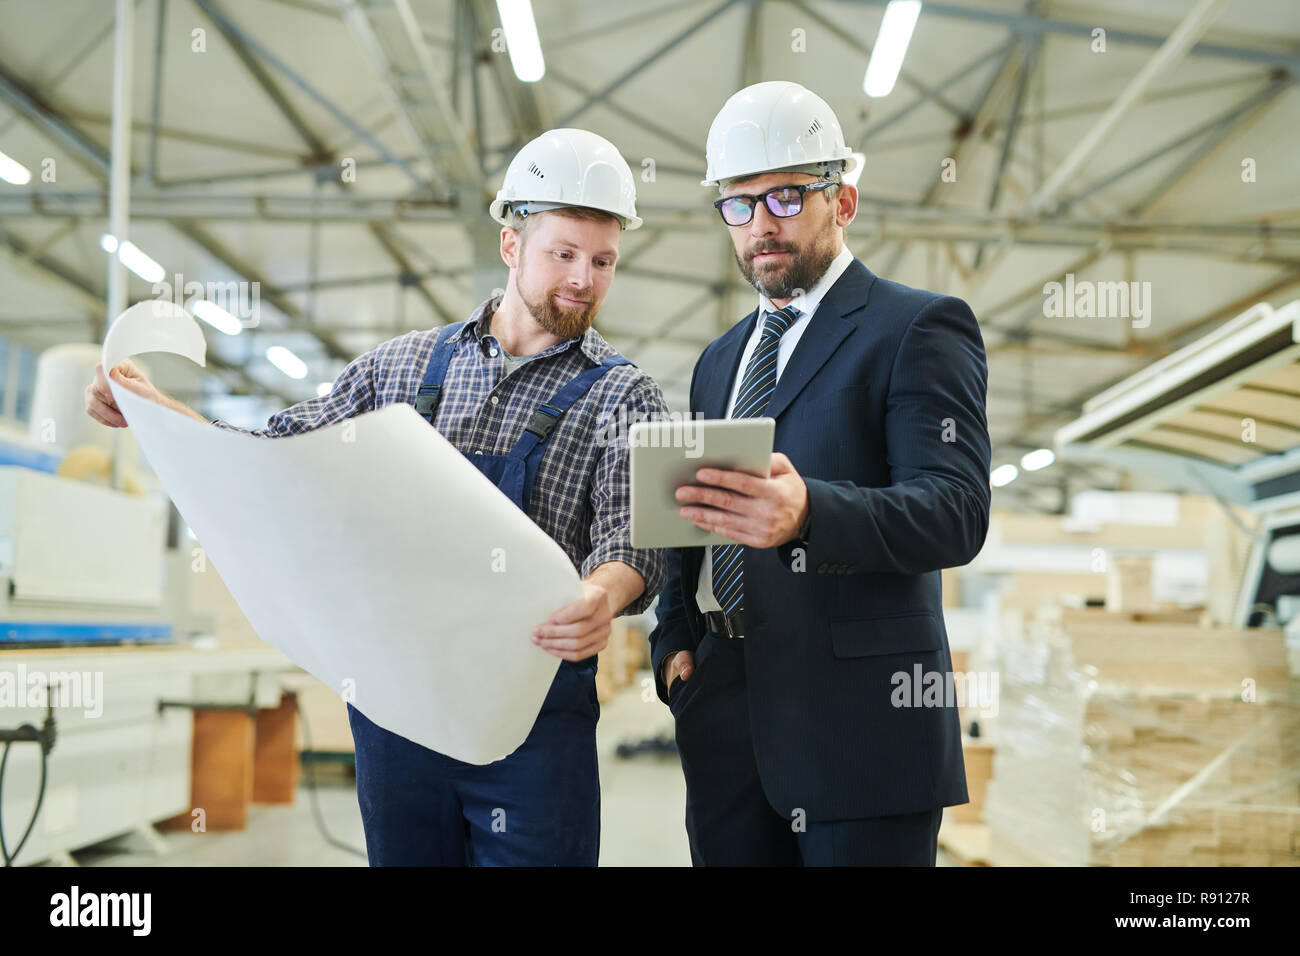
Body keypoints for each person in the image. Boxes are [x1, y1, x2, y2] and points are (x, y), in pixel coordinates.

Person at [86, 128, 670, 867]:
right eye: (563, 253)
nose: (583, 279)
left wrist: (604, 595)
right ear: (511, 245)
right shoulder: (397, 368)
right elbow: (278, 451)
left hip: (532, 721)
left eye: (603, 261)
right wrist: (155, 411)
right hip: (397, 712)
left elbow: (635, 537)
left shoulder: (626, 395)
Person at [648, 81, 991, 866]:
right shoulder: (720, 360)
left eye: (787, 197)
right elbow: (695, 519)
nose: (761, 225)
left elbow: (956, 510)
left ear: (844, 200)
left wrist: (810, 516)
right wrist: (674, 639)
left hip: (863, 734)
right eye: (739, 204)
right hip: (725, 714)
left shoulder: (918, 328)